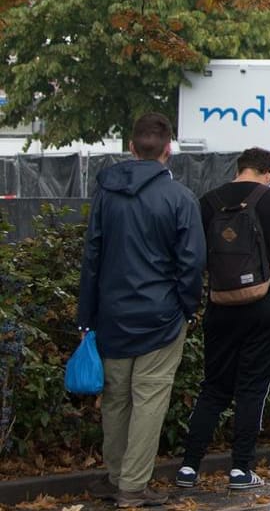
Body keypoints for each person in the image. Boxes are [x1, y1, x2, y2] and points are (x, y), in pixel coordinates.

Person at [79, 114, 207, 509]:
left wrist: (87, 315)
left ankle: (116, 476)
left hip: (112, 315)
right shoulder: (180, 198)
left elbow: (92, 257)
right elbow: (192, 262)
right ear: (169, 149)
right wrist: (186, 307)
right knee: (149, 398)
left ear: (132, 148)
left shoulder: (107, 194)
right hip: (162, 314)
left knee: (116, 399)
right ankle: (133, 487)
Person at [177, 147, 270, 491]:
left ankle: (188, 468)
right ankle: (240, 470)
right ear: (269, 173)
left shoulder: (208, 201)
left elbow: (197, 255)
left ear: (240, 168)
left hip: (221, 305)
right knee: (251, 389)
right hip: (265, 308)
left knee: (213, 388)